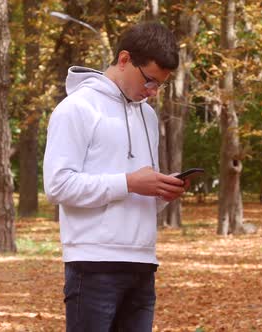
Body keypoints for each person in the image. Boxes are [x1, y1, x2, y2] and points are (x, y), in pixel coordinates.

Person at [43, 22, 186, 331]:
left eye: (160, 84)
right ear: (124, 59)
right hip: (93, 264)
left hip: (143, 262)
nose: (152, 91)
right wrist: (129, 182)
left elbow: (134, 190)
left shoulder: (147, 115)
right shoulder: (76, 109)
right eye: (149, 80)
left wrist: (161, 192)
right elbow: (57, 185)